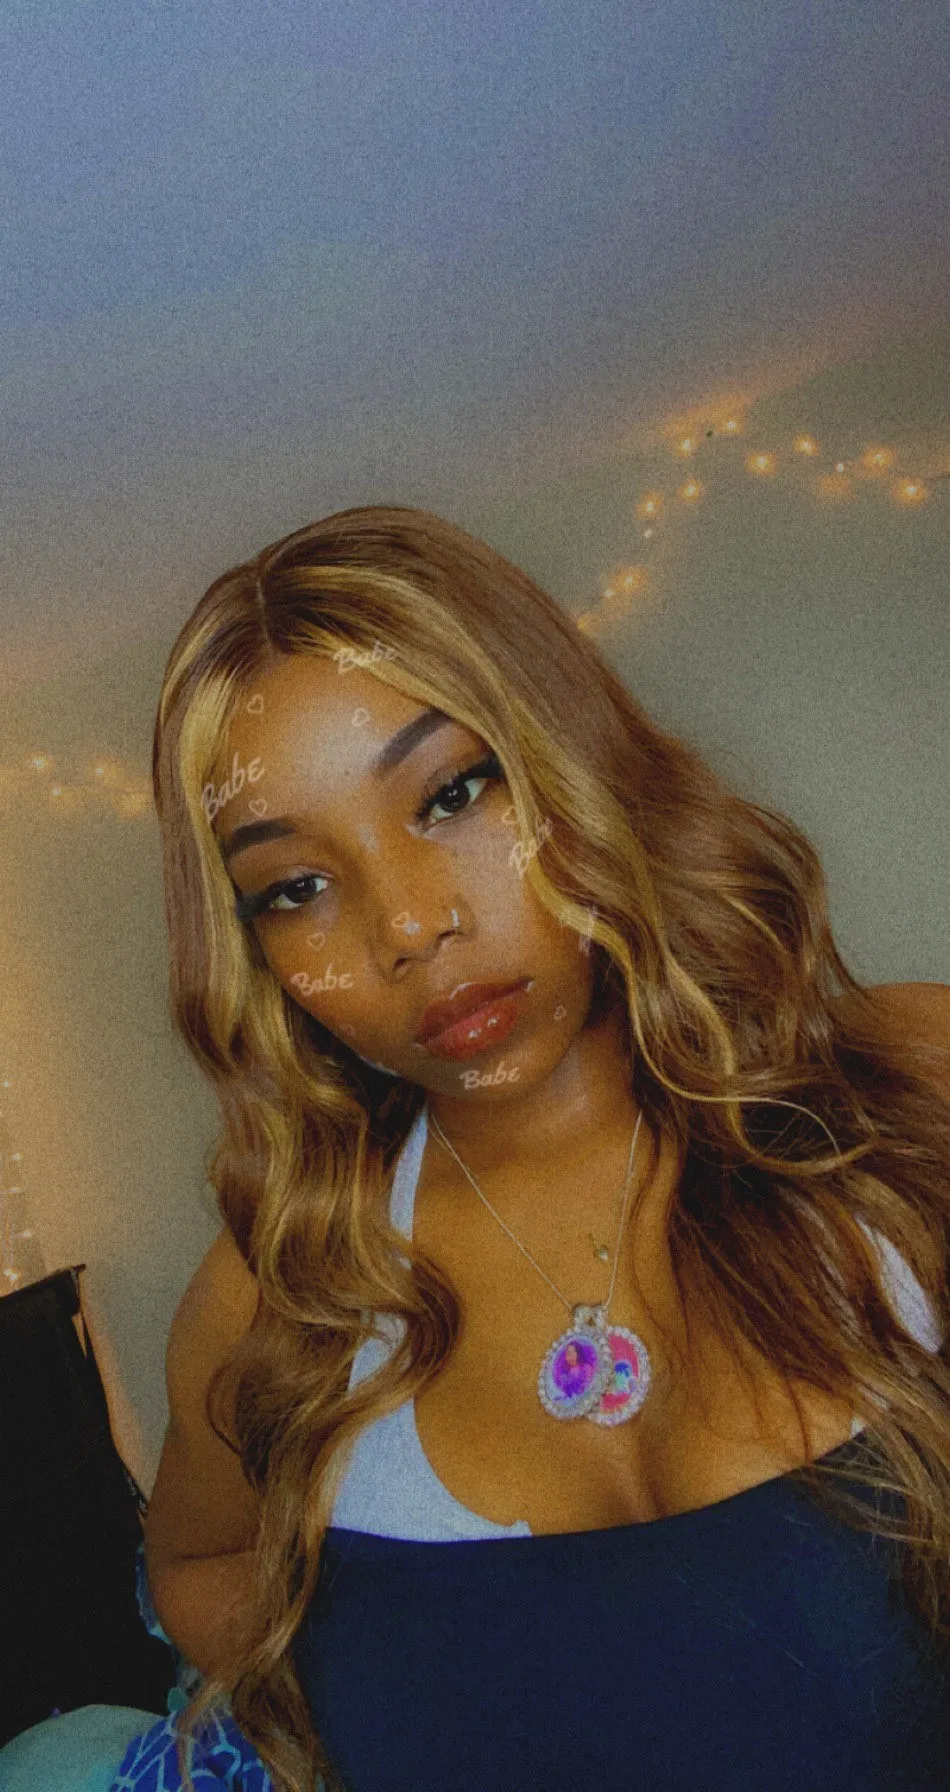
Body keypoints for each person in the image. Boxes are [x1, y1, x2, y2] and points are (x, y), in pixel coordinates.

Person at [135, 506, 950, 1792]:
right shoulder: (284, 1285)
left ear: (570, 755)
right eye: (295, 886)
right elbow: (192, 1565)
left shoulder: (904, 1087)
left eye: (452, 793)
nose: (408, 926)